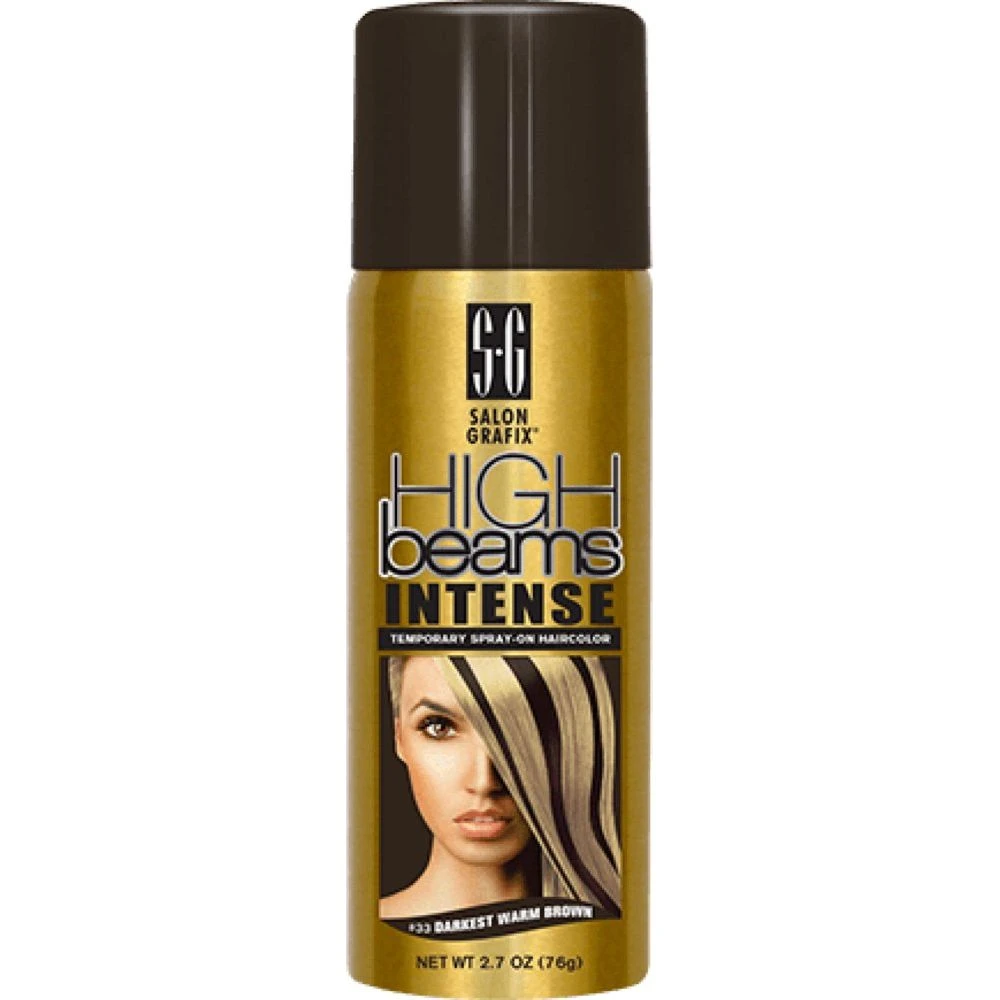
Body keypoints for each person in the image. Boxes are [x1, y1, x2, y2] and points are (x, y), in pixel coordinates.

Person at [379, 654, 621, 919]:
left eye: (523, 728)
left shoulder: (623, 928)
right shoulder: (357, 931)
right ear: (399, 738)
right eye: (439, 727)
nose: (484, 782)